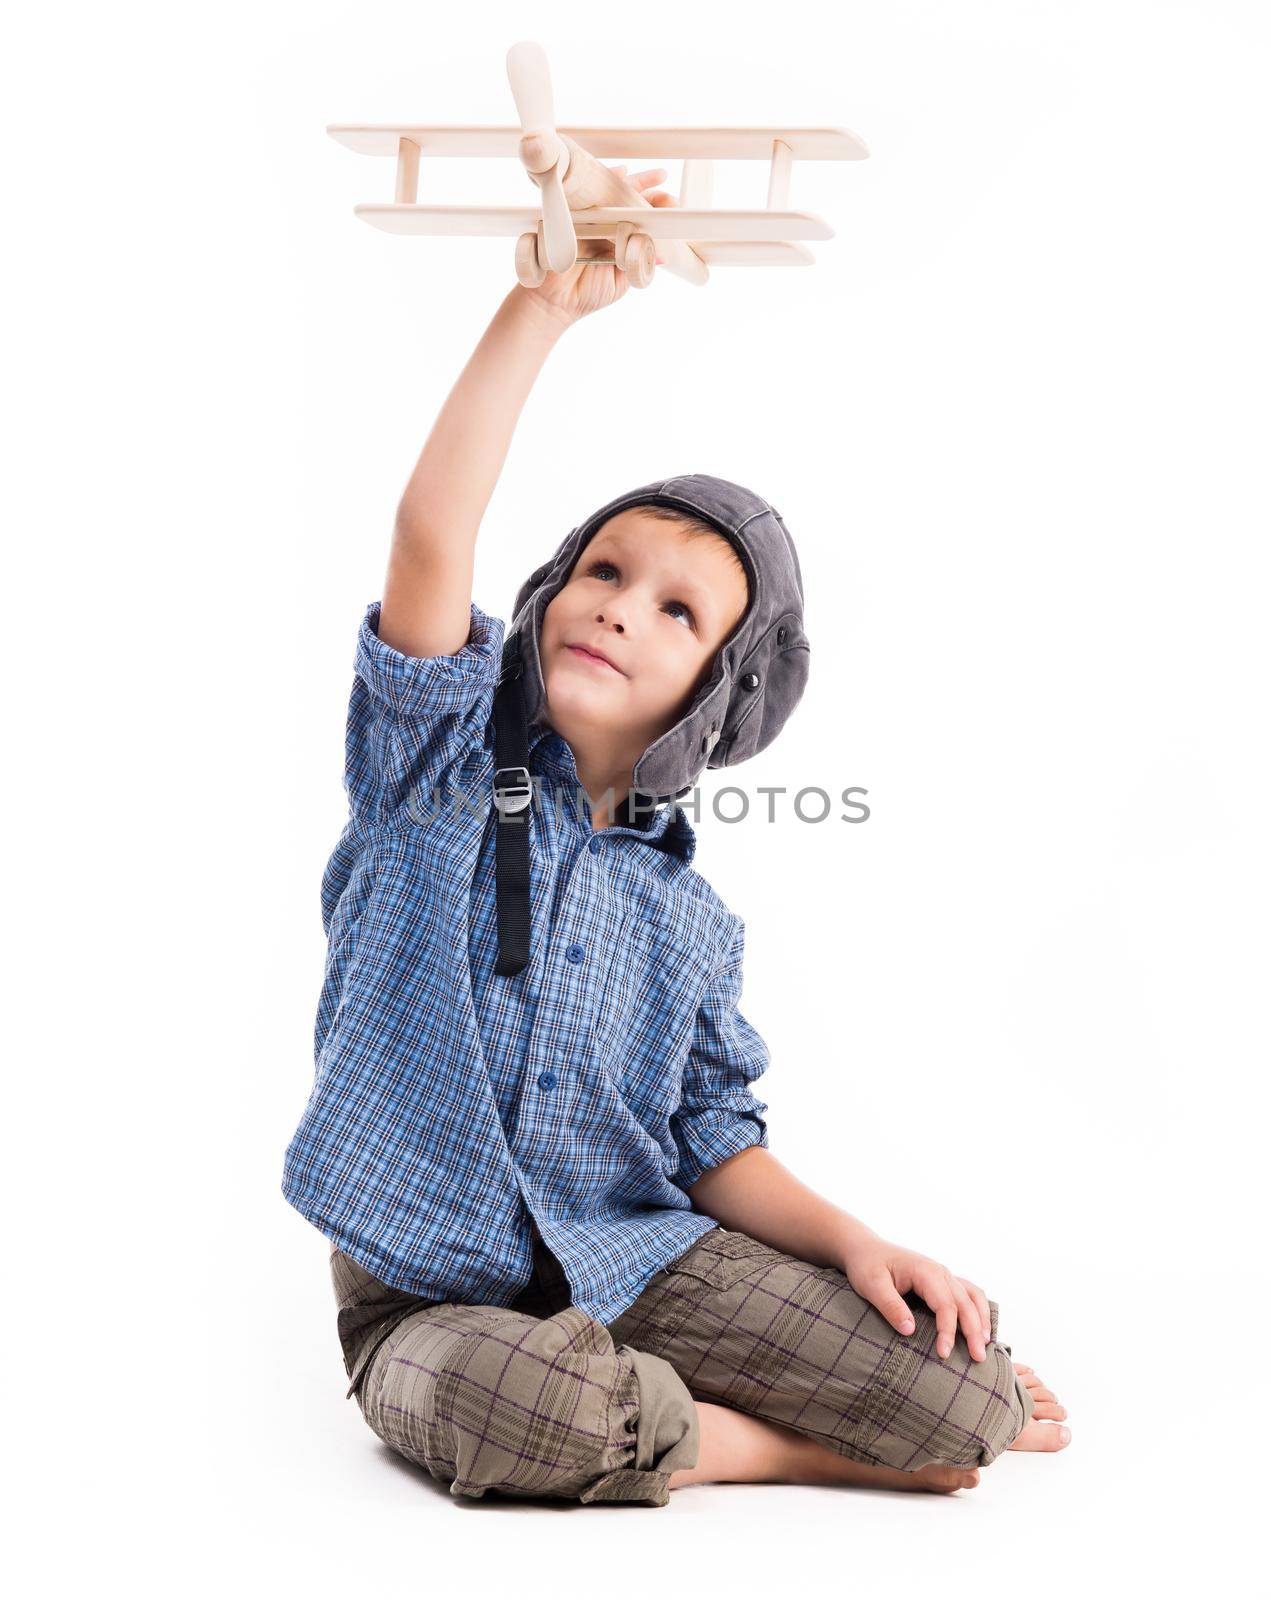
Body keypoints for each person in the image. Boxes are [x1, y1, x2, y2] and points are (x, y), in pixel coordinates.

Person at [282, 164, 1070, 1508]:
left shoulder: (689, 919)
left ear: (714, 696)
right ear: (546, 596)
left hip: (640, 1255)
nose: (622, 611)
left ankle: (703, 1412)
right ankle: (767, 1447)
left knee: (967, 1386)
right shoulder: (429, 774)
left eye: (677, 613)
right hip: (429, 1302)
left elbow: (714, 1148)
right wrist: (539, 310)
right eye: (602, 573)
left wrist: (857, 1245)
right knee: (519, 1404)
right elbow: (429, 537)